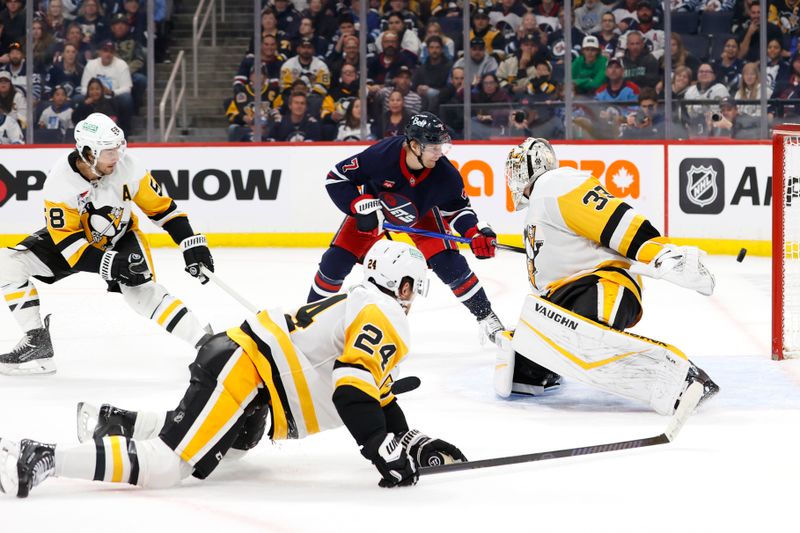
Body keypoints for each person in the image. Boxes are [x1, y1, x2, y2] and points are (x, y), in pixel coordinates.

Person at [0, 240, 467, 497]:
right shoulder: (384, 313)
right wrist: (381, 448)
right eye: (411, 287)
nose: (412, 297)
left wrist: (407, 439)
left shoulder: (362, 300)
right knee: (168, 467)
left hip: (248, 373)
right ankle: (37, 456)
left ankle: (117, 423)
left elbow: (375, 392)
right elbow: (351, 388)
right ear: (400, 283)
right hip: (244, 369)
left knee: (227, 449)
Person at [494, 138, 719, 414]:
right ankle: (542, 370)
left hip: (600, 284)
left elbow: (612, 219)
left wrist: (660, 252)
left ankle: (686, 380)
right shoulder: (540, 204)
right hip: (561, 296)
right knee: (522, 367)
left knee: (582, 341)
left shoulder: (556, 183)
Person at [0, 113, 214, 376]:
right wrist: (112, 265)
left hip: (122, 236)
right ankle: (37, 340)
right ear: (88, 153)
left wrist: (190, 244)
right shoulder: (59, 183)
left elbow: (163, 211)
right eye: (108, 151)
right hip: (77, 239)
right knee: (7, 264)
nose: (116, 157)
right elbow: (70, 247)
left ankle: (206, 344)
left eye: (118, 148)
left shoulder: (129, 168)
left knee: (141, 293)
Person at [308, 112, 505, 342]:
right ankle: (311, 320)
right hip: (377, 207)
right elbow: (336, 178)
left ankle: (487, 317)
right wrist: (358, 205)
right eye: (433, 147)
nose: (439, 153)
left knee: (451, 265)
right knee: (335, 262)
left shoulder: (446, 175)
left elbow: (458, 210)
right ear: (414, 145)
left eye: (442, 146)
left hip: (423, 213)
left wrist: (475, 233)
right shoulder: (381, 156)